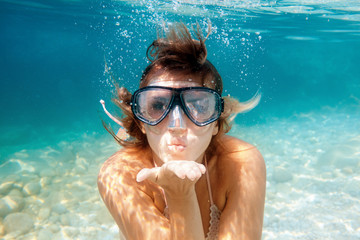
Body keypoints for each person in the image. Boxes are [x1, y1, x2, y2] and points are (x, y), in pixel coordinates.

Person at [98, 22, 266, 240]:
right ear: (141, 120)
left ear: (216, 122)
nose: (176, 124)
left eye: (198, 105)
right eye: (158, 106)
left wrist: (181, 193)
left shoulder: (241, 162)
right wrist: (180, 194)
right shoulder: (120, 173)